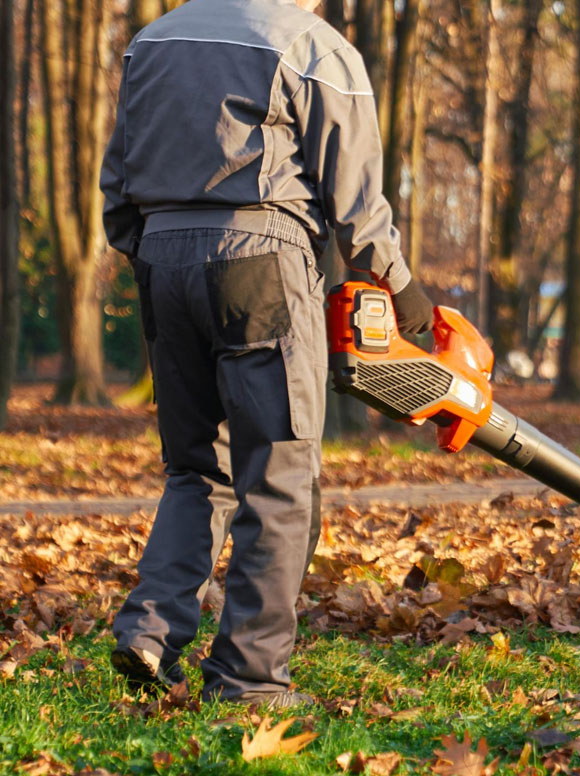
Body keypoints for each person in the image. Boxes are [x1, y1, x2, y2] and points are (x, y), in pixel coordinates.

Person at [100, 0, 434, 709]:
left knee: (195, 467)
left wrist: (151, 253)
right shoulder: (310, 43)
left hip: (160, 256)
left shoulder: (151, 41)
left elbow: (118, 180)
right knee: (279, 474)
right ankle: (250, 679)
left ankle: (151, 631)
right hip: (258, 257)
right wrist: (401, 287)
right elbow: (354, 195)